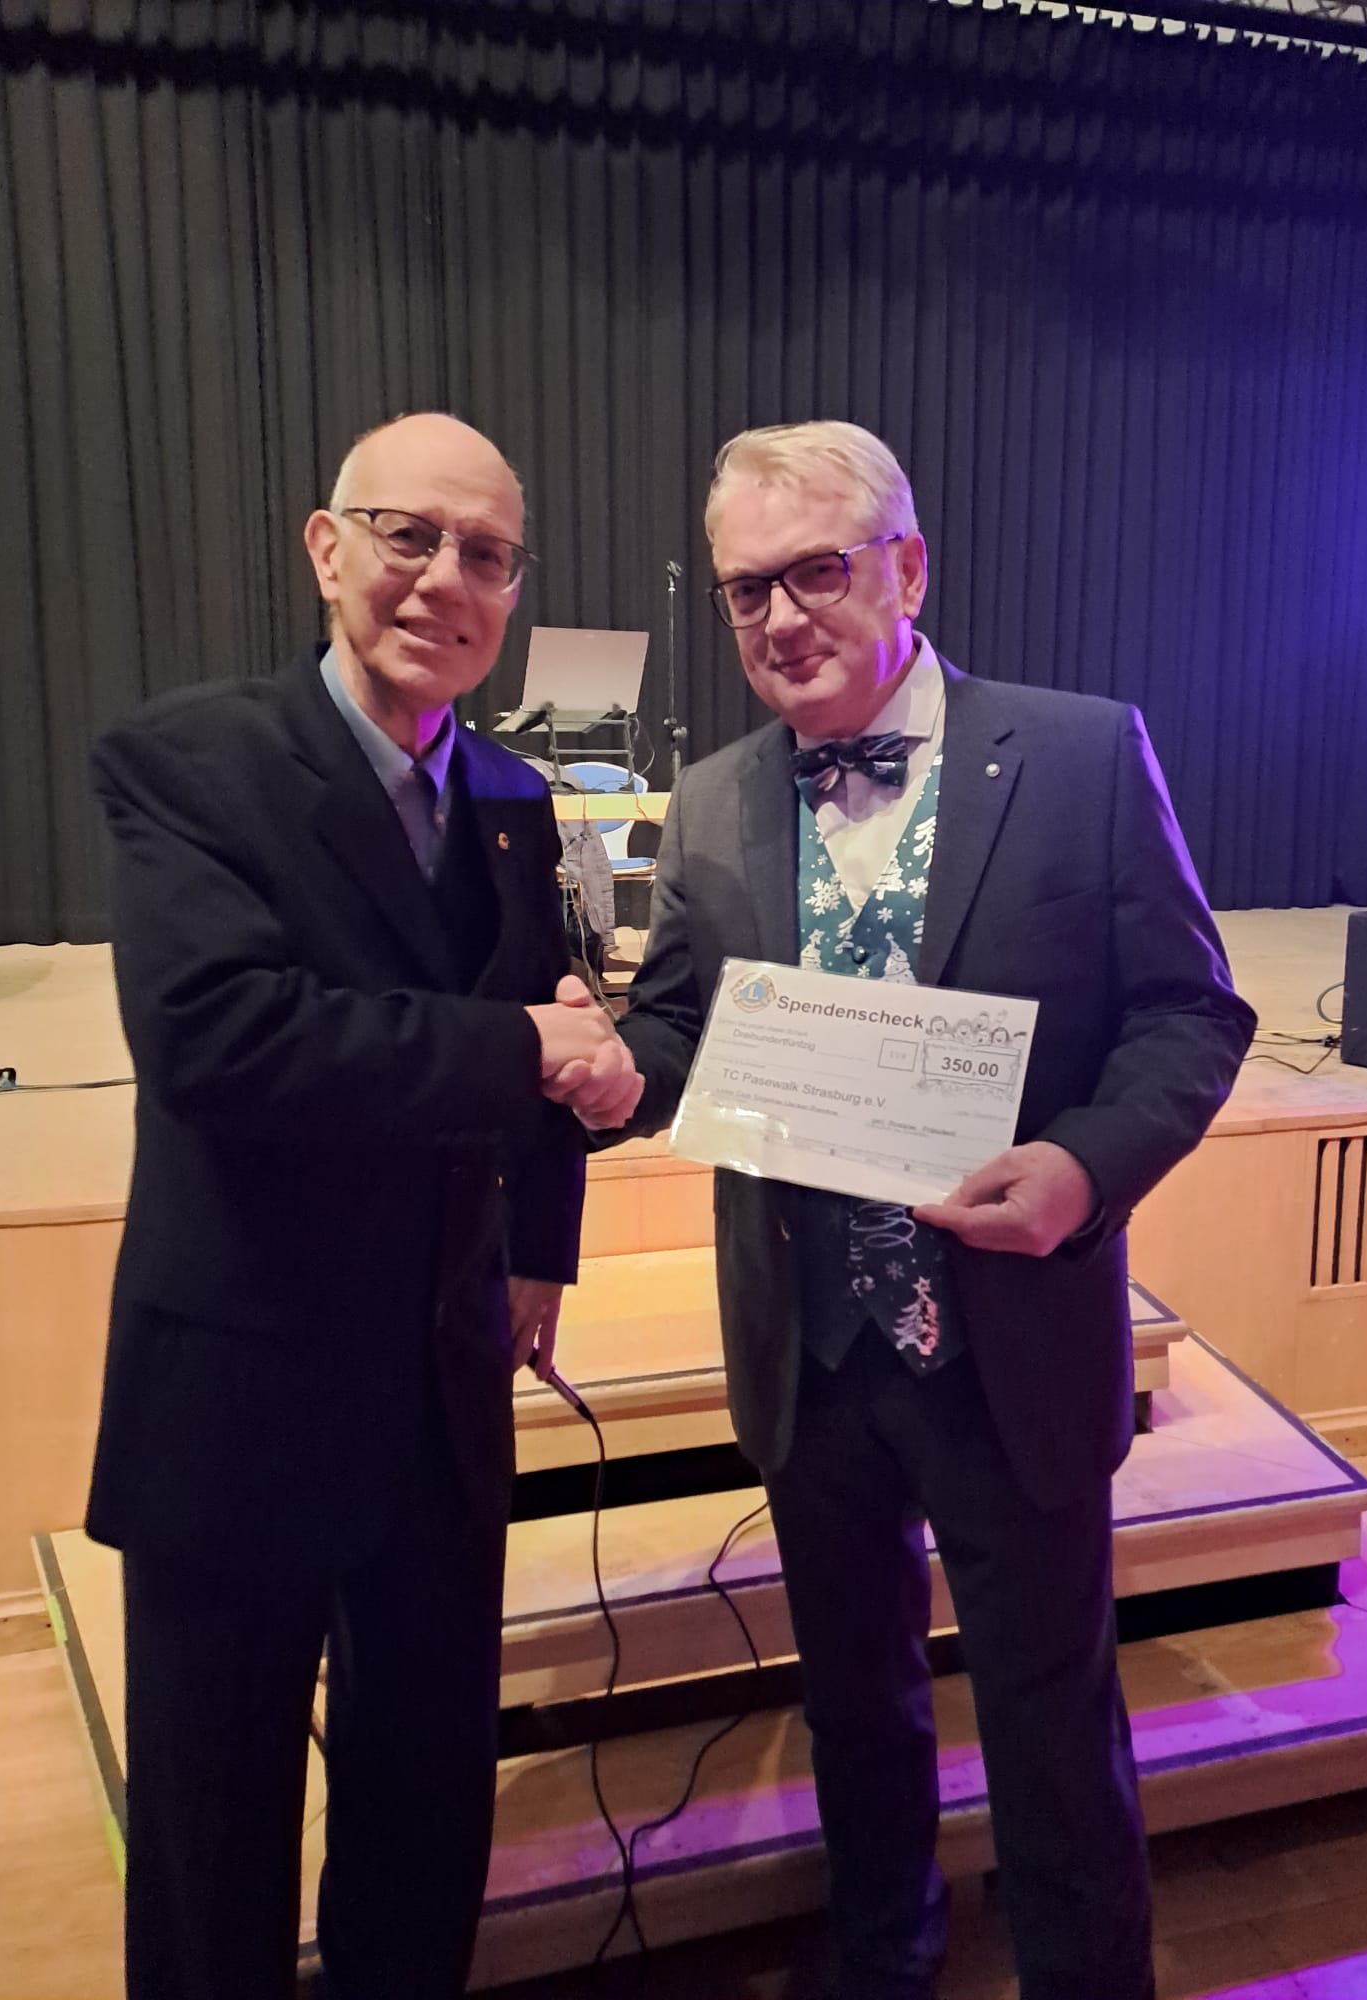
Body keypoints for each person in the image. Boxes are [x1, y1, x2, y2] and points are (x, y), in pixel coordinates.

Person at [568, 421, 1256, 2000]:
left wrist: (1083, 1167)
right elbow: (681, 1029)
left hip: (1010, 1338)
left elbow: (1190, 1015)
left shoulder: (1082, 755)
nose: (779, 617)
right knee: (856, 1708)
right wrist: (619, 1073)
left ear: (910, 568)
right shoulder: (716, 796)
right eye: (747, 590)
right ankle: (884, 1962)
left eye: (816, 570)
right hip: (810, 1351)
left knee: (1049, 1719)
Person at [85, 412, 639, 2000]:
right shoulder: (186, 760)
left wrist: (541, 1248)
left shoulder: (514, 798)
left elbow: (547, 1012)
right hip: (241, 1387)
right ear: (327, 549)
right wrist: (524, 1048)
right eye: (410, 535)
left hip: (439, 1386)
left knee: (423, 1807)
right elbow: (222, 1042)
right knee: (213, 1839)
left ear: (512, 595)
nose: (445, 579)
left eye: (488, 555)